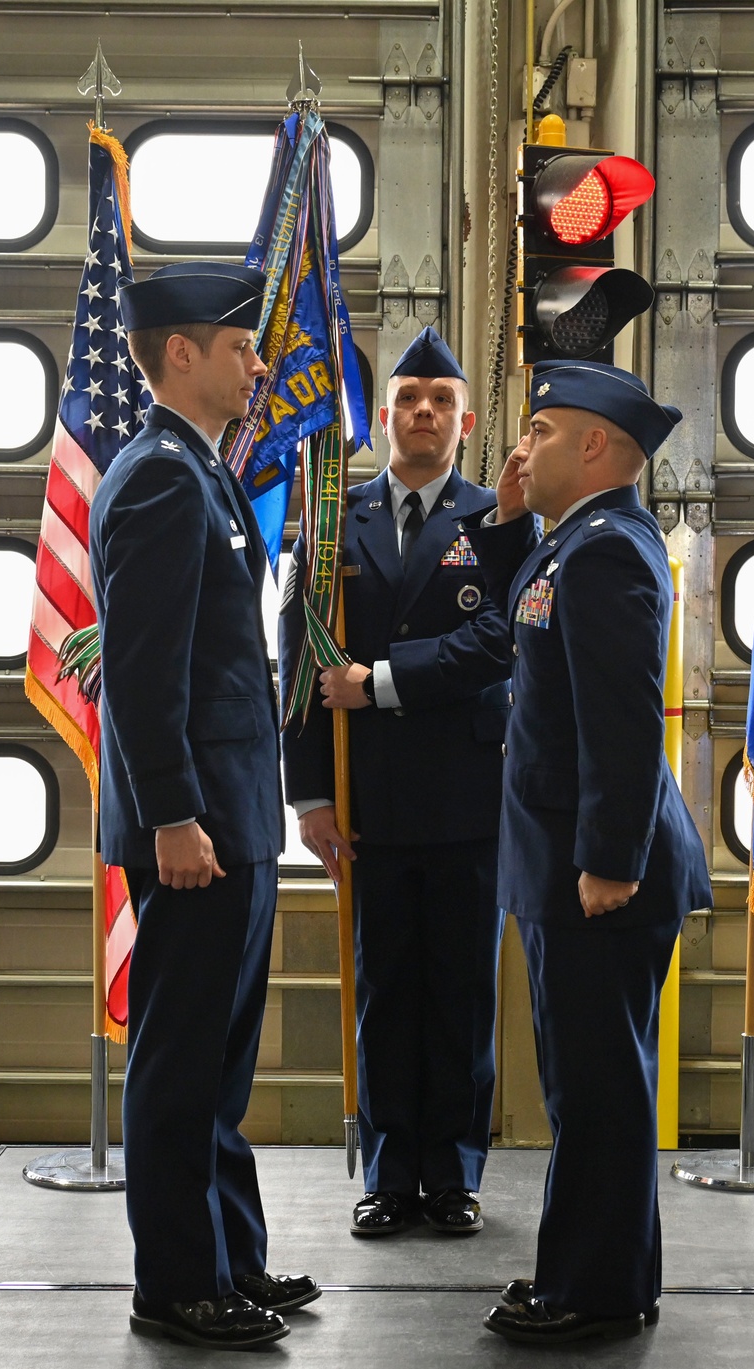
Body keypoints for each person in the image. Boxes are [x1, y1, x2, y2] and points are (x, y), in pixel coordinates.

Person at [89, 260, 319, 1350]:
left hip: (232, 816)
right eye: (240, 347)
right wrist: (174, 814)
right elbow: (142, 671)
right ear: (181, 353)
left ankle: (231, 1258)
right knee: (181, 1060)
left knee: (219, 1057)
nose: (259, 362)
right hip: (197, 828)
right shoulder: (158, 478)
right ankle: (176, 1284)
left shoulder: (200, 468)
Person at [463, 360, 713, 1345]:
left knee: (597, 1085)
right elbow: (521, 634)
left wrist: (608, 855)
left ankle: (596, 1291)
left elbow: (619, 720)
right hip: (572, 858)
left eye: (540, 432)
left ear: (597, 446)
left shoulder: (607, 552)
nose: (519, 450)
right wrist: (512, 520)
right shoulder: (572, 542)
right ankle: (594, 1274)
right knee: (588, 1079)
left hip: (599, 869)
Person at [279, 327, 535, 1238]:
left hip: (468, 800)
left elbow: (499, 643)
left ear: (464, 423)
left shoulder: (500, 522)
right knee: (384, 989)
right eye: (409, 398)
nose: (423, 413)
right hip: (368, 803)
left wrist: (378, 682)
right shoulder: (328, 520)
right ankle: (389, 1172)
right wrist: (308, 797)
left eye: (442, 401)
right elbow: (299, 657)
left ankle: (454, 1173)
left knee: (462, 994)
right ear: (384, 415)